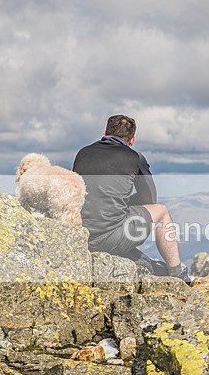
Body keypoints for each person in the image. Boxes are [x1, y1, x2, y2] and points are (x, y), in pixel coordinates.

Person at [72, 115, 190, 283]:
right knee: (161, 211)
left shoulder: (83, 153)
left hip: (82, 234)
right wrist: (124, 202)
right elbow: (149, 199)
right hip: (108, 237)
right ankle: (177, 273)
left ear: (105, 132)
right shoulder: (135, 157)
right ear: (132, 140)